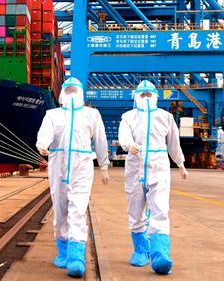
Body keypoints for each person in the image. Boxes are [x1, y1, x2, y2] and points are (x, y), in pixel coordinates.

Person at [36, 77, 110, 278]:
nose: (71, 93)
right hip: (57, 164)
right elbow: (45, 133)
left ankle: (77, 257)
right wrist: (42, 144)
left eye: (74, 90)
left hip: (82, 166)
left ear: (81, 93)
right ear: (61, 93)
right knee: (60, 209)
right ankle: (64, 252)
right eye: (67, 89)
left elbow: (100, 140)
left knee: (77, 208)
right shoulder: (53, 115)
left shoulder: (91, 114)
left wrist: (104, 164)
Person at [118, 80, 189, 274]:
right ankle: (141, 250)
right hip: (135, 166)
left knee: (160, 209)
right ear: (136, 96)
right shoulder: (128, 117)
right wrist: (128, 144)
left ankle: (160, 255)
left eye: (149, 95)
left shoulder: (165, 117)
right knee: (135, 209)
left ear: (156, 96)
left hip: (158, 166)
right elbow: (123, 135)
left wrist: (180, 164)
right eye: (142, 95)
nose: (146, 98)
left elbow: (174, 143)